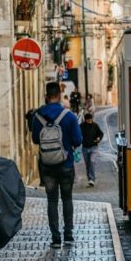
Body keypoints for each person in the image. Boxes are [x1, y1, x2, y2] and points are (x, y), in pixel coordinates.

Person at [28, 81, 83, 248]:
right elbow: (78, 140)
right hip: (66, 164)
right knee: (67, 198)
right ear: (59, 95)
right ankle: (68, 235)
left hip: (47, 166)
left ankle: (55, 238)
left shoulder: (38, 116)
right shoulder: (69, 116)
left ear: (46, 95)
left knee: (52, 201)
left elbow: (36, 139)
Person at [80, 112, 104, 187]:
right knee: (88, 165)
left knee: (92, 161)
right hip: (85, 148)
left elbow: (101, 133)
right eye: (88, 120)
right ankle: (89, 179)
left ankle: (92, 179)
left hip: (94, 147)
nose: (90, 121)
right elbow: (77, 134)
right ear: (85, 120)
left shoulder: (95, 125)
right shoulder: (81, 126)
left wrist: (98, 138)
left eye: (91, 119)